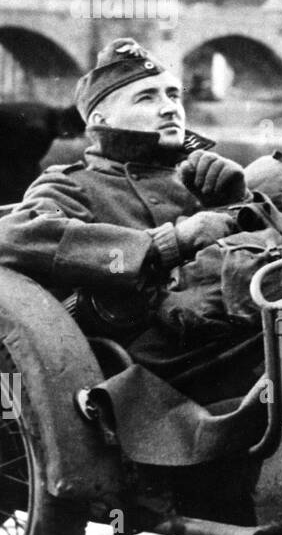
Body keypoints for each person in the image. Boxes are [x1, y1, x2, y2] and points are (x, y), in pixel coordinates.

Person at [0, 38, 257, 411]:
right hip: (136, 373)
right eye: (147, 98)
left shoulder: (201, 180)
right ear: (100, 120)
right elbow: (16, 236)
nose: (169, 108)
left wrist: (241, 203)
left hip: (220, 342)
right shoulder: (73, 184)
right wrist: (166, 244)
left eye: (173, 95)